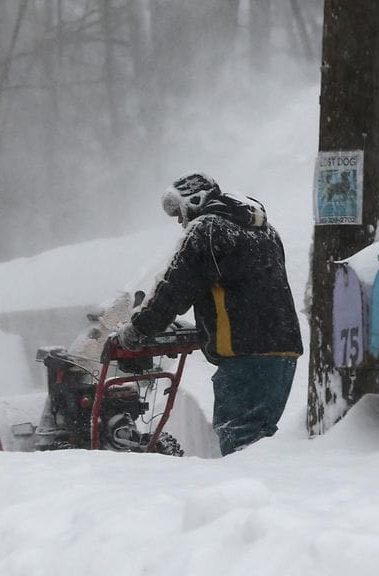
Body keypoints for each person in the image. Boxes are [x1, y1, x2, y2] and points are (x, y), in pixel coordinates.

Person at [117, 173, 303, 456]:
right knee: (260, 442)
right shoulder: (265, 231)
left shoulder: (207, 229)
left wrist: (138, 329)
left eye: (179, 213)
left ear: (194, 201)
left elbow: (173, 289)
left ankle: (246, 499)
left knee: (239, 439)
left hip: (244, 355)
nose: (180, 221)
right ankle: (270, 495)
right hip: (283, 352)